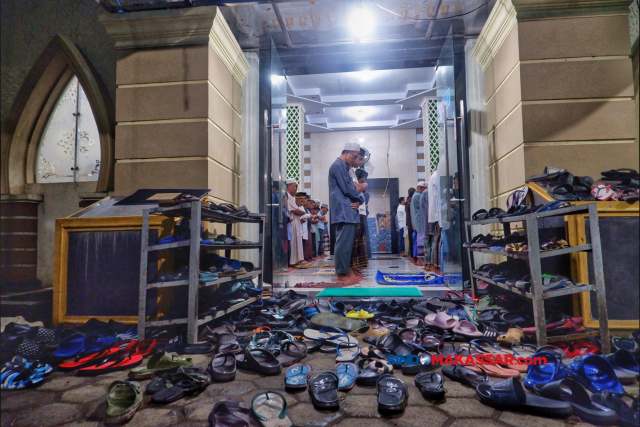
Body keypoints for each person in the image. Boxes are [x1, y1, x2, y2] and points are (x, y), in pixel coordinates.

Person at [328, 142, 365, 284]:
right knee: (343, 243)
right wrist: (360, 199)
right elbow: (347, 189)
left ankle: (347, 270)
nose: (354, 160)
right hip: (344, 209)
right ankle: (341, 275)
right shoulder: (338, 166)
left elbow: (349, 187)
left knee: (348, 244)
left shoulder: (344, 167)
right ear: (347, 153)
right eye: (354, 157)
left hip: (348, 209)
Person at [350, 167, 369, 276]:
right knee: (356, 241)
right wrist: (364, 186)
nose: (364, 181)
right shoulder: (355, 184)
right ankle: (354, 265)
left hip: (361, 214)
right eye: (364, 179)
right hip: (357, 214)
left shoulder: (359, 185)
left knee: (361, 240)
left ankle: (358, 264)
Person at [284, 179, 306, 266]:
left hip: (296, 221)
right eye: (295, 186)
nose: (296, 188)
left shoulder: (292, 197)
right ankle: (292, 261)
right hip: (292, 222)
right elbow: (295, 210)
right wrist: (303, 212)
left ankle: (297, 260)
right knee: (293, 242)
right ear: (289, 186)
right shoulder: (288, 196)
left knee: (297, 241)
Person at [411, 181, 427, 265]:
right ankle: (420, 259)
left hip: (416, 221)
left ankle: (418, 259)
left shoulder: (415, 195)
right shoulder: (419, 196)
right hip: (419, 221)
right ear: (421, 188)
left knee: (418, 240)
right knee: (421, 240)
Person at [406, 187, 415, 263]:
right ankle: (412, 257)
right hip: (412, 224)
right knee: (412, 241)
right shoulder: (410, 203)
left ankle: (411, 256)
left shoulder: (408, 202)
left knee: (411, 241)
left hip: (410, 224)